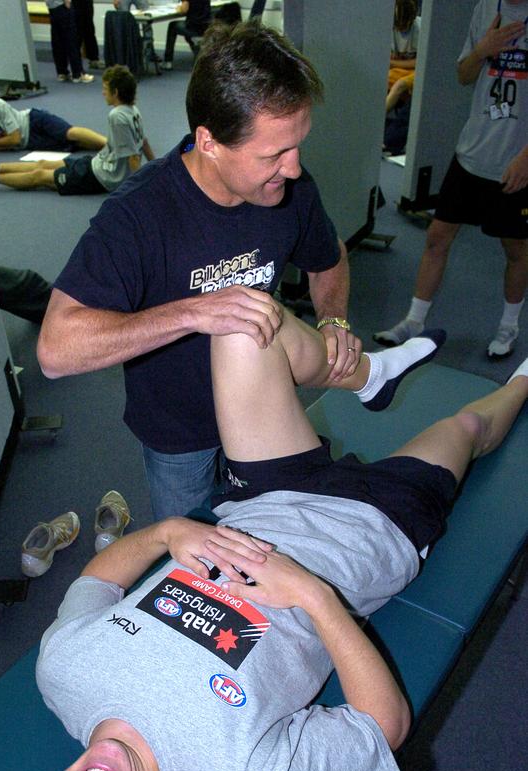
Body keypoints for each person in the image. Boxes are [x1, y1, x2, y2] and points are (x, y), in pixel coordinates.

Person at [5, 307, 528, 771]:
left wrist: (168, 532)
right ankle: (523, 380)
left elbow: (97, 581)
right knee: (466, 430)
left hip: (261, 497)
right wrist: (313, 595)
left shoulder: (62, 675)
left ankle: (368, 373)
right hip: (369, 532)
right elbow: (383, 729)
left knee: (241, 320)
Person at [37, 21, 368, 521]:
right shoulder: (138, 215)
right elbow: (55, 351)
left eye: (298, 145)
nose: (295, 168)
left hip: (264, 410)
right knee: (193, 555)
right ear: (209, 142)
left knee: (266, 544)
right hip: (178, 434)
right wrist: (193, 312)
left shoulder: (289, 188)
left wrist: (334, 319)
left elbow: (331, 257)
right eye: (275, 152)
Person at [374, 0, 528, 359]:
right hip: (472, 151)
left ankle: (508, 326)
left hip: (516, 162)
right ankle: (414, 321)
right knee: (437, 237)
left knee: (516, 250)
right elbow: (464, 74)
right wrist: (483, 50)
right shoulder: (486, 7)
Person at [0, 66, 154, 194]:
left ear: (116, 92)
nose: (103, 92)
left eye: (105, 88)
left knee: (40, 176)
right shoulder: (133, 111)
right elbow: (143, 142)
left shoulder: (116, 116)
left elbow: (134, 158)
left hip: (100, 177)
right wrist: (156, 167)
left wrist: (138, 191)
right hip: (97, 164)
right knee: (44, 163)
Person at [0, 77, 106, 153]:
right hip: (30, 142)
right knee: (72, 144)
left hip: (33, 120)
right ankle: (106, 149)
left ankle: (110, 144)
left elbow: (15, 138)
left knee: (69, 133)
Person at [46, 0, 95, 82]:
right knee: (72, 39)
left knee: (58, 40)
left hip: (52, 6)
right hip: (62, 5)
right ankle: (78, 74)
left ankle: (62, 72)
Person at [386, 0, 421, 115]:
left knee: (400, 84)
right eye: (398, 26)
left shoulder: (420, 28)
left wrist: (394, 63)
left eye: (405, 25)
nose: (402, 29)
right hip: (400, 70)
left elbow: (420, 63)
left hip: (416, 73)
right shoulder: (388, 28)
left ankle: (373, 119)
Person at [161, 0, 211, 70]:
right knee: (185, 29)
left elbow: (184, 10)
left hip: (194, 27)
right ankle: (197, 47)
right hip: (205, 26)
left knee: (172, 26)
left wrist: (179, 8)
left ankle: (168, 61)